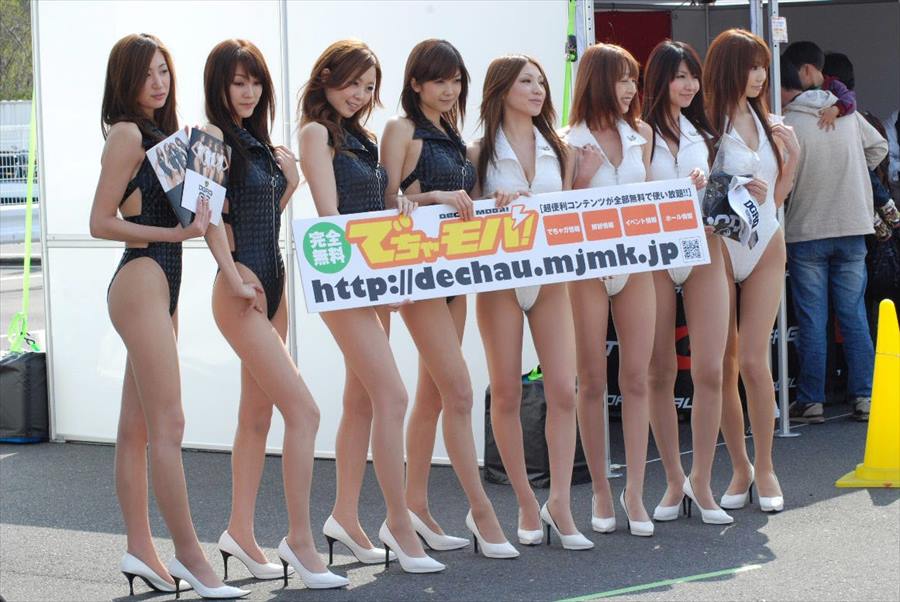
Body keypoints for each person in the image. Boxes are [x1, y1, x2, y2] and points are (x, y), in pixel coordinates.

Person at [89, 33, 247, 599]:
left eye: (163, 71)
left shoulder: (170, 138)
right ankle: (190, 557)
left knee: (136, 429)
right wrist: (174, 235)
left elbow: (206, 220)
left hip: (162, 282)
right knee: (169, 424)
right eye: (146, 73)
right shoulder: (127, 134)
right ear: (124, 80)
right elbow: (99, 222)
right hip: (141, 277)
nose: (158, 82)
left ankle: (141, 549)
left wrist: (231, 272)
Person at [201, 39, 348, 589]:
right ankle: (301, 542)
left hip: (272, 283)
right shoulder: (211, 136)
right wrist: (232, 274)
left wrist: (289, 185)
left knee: (257, 416)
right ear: (219, 85)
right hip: (242, 286)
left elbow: (256, 212)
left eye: (255, 81)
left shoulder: (259, 142)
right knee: (305, 412)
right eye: (238, 82)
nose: (248, 91)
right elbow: (208, 217)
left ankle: (240, 532)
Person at [297, 39, 445, 573]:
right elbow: (330, 214)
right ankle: (399, 525)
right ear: (326, 76)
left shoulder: (358, 135)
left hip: (373, 275)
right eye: (352, 83)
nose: (359, 95)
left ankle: (344, 517)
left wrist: (403, 206)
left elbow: (379, 208)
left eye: (367, 87)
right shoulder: (315, 133)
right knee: (393, 395)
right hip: (344, 276)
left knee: (360, 401)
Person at [380, 39, 516, 558]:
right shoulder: (401, 129)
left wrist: (493, 200)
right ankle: (482, 512)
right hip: (419, 274)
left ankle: (414, 509)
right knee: (460, 393)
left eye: (456, 80)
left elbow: (468, 204)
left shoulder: (455, 135)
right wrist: (432, 197)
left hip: (455, 272)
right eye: (439, 79)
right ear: (415, 83)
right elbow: (384, 202)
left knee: (435, 396)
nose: (449, 89)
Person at [470, 54, 592, 550]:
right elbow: (461, 222)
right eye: (526, 81)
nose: (538, 90)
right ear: (501, 89)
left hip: (550, 276)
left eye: (541, 82)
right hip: (499, 278)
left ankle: (559, 503)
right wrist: (487, 207)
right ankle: (524, 501)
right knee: (505, 392)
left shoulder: (560, 149)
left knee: (563, 389)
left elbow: (568, 211)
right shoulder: (478, 152)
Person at [705, 28, 800, 514]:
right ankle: (740, 467)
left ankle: (765, 467)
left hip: (766, 242)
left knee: (754, 362)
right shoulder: (704, 125)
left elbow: (775, 199)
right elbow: (695, 195)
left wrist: (791, 162)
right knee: (723, 364)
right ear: (728, 69)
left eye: (763, 66)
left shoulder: (774, 124)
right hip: (719, 245)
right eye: (751, 66)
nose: (761, 75)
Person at [563, 43, 657, 536]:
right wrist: (578, 180)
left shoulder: (641, 134)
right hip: (584, 265)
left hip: (636, 260)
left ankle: (635, 491)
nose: (630, 88)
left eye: (633, 78)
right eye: (622, 78)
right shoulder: (566, 140)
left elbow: (655, 196)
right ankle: (601, 489)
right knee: (592, 380)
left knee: (637, 378)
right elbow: (554, 214)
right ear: (598, 80)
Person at [641, 40, 728, 525]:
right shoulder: (640, 133)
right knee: (659, 370)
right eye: (679, 76)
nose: (689, 84)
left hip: (705, 248)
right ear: (660, 80)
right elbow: (627, 193)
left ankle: (703, 481)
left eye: (692, 75)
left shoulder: (707, 132)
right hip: (654, 254)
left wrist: (723, 197)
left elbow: (726, 189)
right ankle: (674, 480)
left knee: (710, 369)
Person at [778, 58, 888, 424]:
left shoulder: (787, 124)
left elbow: (780, 177)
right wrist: (852, 168)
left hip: (807, 229)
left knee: (812, 319)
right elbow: (879, 149)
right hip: (853, 225)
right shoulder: (847, 114)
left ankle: (812, 400)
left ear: (785, 89)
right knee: (854, 314)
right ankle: (865, 396)